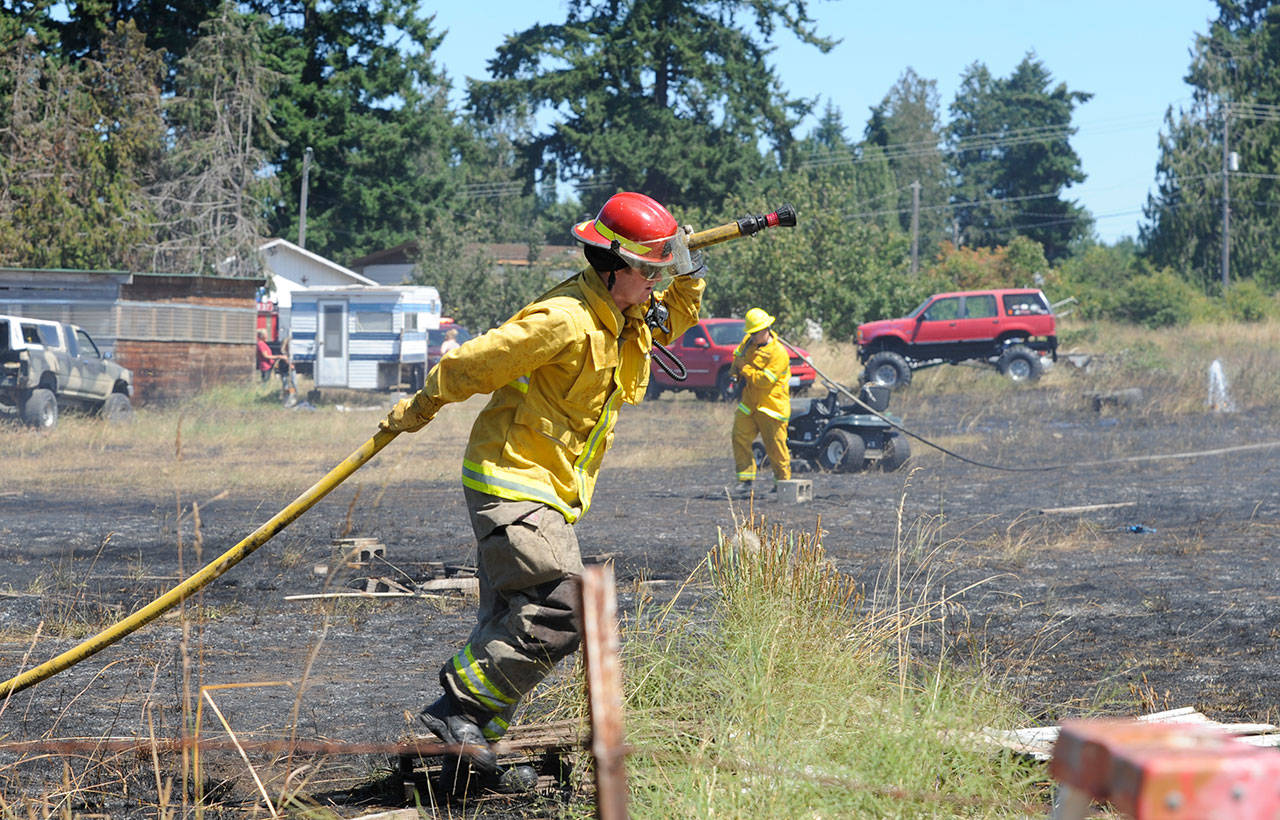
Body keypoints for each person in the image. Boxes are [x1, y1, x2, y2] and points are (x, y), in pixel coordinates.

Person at [379, 191, 704, 789]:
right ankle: (459, 710)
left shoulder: (629, 316)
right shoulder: (564, 318)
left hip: (548, 488)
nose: (657, 282)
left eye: (662, 272)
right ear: (613, 268)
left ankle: (467, 763)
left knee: (512, 617)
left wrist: (687, 267)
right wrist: (417, 408)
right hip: (511, 480)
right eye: (649, 270)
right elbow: (476, 363)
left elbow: (676, 318)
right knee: (567, 605)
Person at [729, 307, 791, 492]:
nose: (753, 336)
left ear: (766, 329)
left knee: (775, 447)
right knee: (739, 436)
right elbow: (738, 358)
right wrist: (734, 371)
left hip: (771, 406)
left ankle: (783, 484)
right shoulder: (748, 343)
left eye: (756, 333)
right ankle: (746, 481)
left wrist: (744, 368)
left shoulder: (778, 353)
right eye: (751, 333)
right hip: (750, 404)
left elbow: (764, 381)